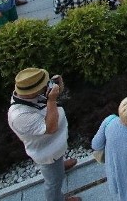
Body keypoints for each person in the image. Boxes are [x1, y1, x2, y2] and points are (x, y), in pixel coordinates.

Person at [7, 68, 81, 201]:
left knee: (56, 165)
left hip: (55, 145)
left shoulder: (31, 96)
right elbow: (51, 128)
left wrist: (58, 86)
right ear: (32, 92)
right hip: (47, 152)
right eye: (43, 86)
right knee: (54, 182)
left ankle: (59, 165)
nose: (46, 86)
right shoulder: (19, 116)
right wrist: (51, 100)